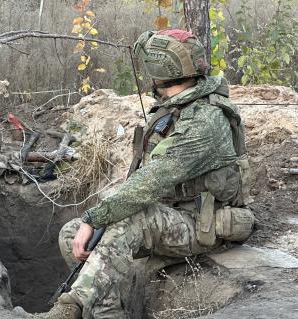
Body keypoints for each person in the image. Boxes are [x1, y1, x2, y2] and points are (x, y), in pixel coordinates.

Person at [13, 29, 255, 319]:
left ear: (159, 68)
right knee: (72, 236)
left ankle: (70, 308)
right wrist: (93, 221)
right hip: (168, 217)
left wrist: (96, 217)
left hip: (202, 225)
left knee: (127, 218)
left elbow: (152, 181)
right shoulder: (177, 107)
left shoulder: (205, 119)